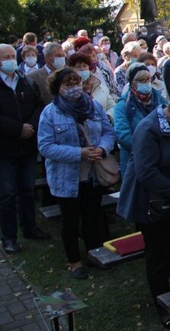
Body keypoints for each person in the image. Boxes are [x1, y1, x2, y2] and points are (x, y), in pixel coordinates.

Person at [116, 87, 170, 329]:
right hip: (152, 205)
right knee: (159, 257)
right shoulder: (148, 129)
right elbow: (146, 171)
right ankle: (164, 307)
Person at [38, 68, 115, 277]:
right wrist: (78, 153)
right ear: (58, 88)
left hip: (93, 174)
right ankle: (74, 261)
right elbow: (45, 146)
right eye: (68, 84)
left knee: (92, 216)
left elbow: (108, 133)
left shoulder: (93, 107)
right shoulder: (50, 113)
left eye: (77, 83)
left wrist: (102, 148)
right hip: (66, 177)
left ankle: (94, 253)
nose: (74, 88)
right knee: (70, 220)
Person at [0, 44, 48, 255]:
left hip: (28, 146)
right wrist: (17, 128)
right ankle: (9, 237)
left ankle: (30, 228)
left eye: (12, 56)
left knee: (27, 191)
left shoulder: (25, 81)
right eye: (5, 57)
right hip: (5, 149)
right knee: (7, 194)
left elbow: (39, 106)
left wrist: (30, 126)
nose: (10, 59)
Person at [113, 63, 165, 176]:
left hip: (162, 158)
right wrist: (147, 150)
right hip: (135, 159)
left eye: (147, 80)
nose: (146, 83)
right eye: (141, 80)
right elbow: (123, 135)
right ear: (132, 83)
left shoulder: (161, 101)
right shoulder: (123, 106)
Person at [68, 52, 116, 121]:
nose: (82, 69)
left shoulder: (99, 86)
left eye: (84, 66)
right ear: (71, 69)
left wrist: (108, 117)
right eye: (78, 67)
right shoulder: (68, 89)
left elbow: (111, 106)